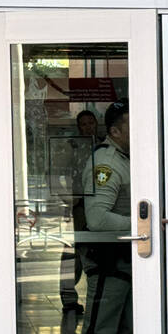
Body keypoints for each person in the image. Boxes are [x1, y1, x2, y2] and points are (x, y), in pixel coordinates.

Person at [81, 100, 133, 334]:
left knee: (131, 333)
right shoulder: (106, 163)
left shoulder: (128, 158)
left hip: (129, 258)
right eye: (131, 125)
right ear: (114, 131)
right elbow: (97, 219)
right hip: (109, 261)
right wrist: (142, 225)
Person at [60, 109, 100, 314]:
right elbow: (60, 175)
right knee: (73, 252)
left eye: (90, 123)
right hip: (78, 207)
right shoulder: (72, 147)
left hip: (100, 206)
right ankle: (68, 298)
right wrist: (69, 198)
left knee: (97, 249)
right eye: (83, 124)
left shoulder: (103, 147)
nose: (87, 127)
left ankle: (100, 295)